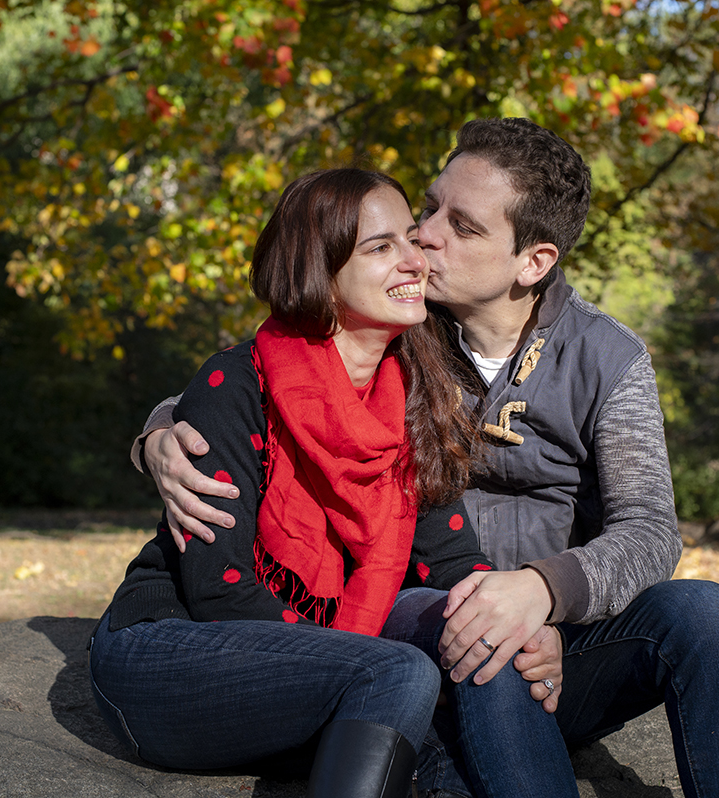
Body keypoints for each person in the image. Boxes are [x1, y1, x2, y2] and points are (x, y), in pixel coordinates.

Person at [139, 119, 719, 798]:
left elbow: (651, 532)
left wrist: (541, 592)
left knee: (703, 612)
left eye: (463, 227)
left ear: (533, 261)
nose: (425, 235)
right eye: (430, 206)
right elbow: (277, 377)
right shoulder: (404, 323)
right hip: (425, 625)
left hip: (553, 646)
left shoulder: (606, 357)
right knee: (473, 621)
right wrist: (158, 429)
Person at [88, 168, 496, 798]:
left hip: (317, 663)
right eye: (381, 247)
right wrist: (352, 659)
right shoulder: (236, 386)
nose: (416, 260)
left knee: (463, 703)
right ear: (320, 275)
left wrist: (514, 620)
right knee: (400, 674)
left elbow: (452, 561)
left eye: (411, 240)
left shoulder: (414, 400)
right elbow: (220, 594)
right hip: (169, 652)